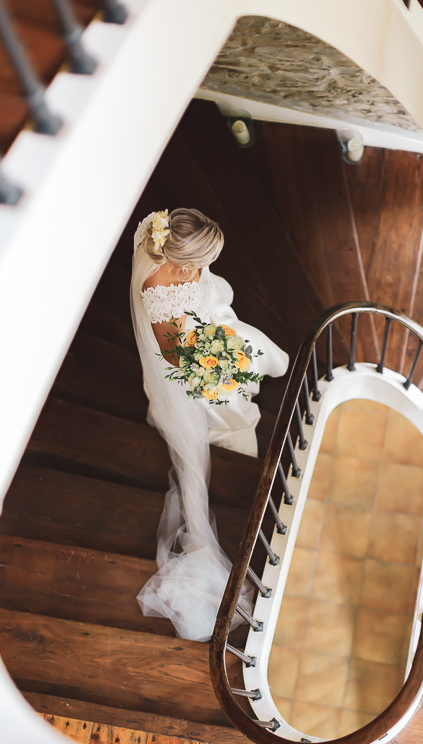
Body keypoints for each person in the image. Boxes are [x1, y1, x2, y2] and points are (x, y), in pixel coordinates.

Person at [130, 208, 289, 641]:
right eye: (199, 265)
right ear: (182, 265)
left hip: (199, 334)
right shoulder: (161, 292)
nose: (204, 271)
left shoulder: (162, 233)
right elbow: (176, 358)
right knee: (222, 412)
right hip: (189, 364)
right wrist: (215, 368)